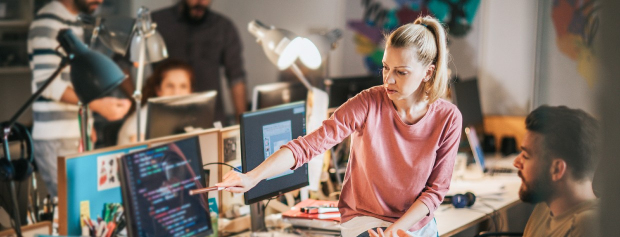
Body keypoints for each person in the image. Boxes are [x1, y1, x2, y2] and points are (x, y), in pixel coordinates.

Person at [217, 16, 461, 237]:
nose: (389, 79)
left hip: (416, 225)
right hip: (365, 220)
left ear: (428, 73)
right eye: (386, 68)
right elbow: (306, 147)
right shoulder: (368, 102)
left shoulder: (448, 118)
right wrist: (252, 177)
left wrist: (395, 231)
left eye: (401, 72)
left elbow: (435, 191)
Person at [27, 0, 131, 196]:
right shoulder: (48, 21)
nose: (100, 1)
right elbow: (46, 85)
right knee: (72, 207)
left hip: (73, 133)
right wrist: (98, 105)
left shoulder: (73, 21)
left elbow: (76, 80)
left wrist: (86, 123)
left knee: (85, 204)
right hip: (56, 136)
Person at [151, 0, 247, 125]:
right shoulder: (157, 22)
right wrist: (132, 106)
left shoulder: (223, 26)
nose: (201, 2)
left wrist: (243, 125)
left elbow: (236, 77)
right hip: (165, 119)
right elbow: (123, 64)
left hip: (211, 118)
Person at [513, 105, 599, 237]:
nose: (516, 163)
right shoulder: (546, 205)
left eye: (525, 156)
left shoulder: (587, 226)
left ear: (557, 169)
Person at [117, 59, 194, 145]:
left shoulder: (184, 116)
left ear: (190, 91)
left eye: (183, 86)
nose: (176, 93)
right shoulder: (143, 118)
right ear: (158, 90)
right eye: (170, 86)